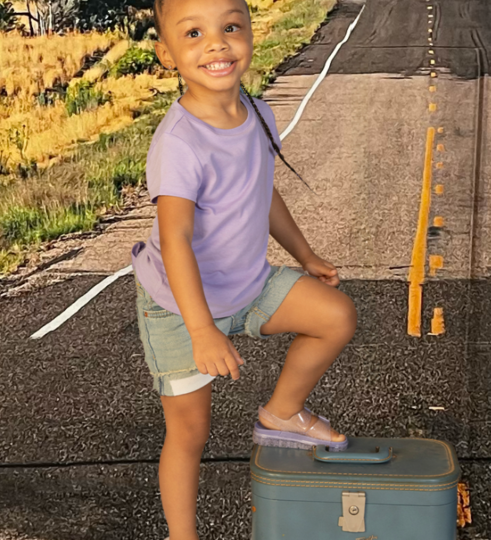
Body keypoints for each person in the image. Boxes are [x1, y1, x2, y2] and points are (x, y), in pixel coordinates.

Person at [129, 0, 358, 537]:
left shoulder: (258, 112)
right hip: (180, 308)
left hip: (250, 286)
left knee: (335, 316)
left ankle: (281, 413)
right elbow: (176, 239)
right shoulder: (179, 144)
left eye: (230, 27)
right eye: (194, 33)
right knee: (189, 432)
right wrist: (202, 329)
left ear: (251, 34)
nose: (217, 43)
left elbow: (263, 189)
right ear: (167, 54)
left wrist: (304, 255)